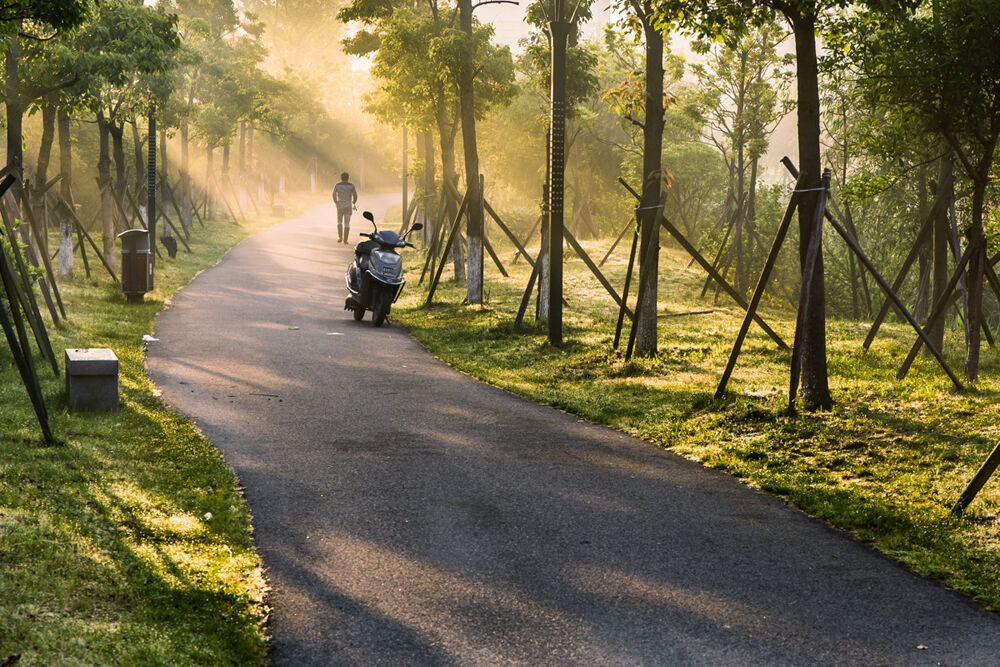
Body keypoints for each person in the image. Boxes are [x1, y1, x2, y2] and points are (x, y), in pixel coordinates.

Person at [332, 172, 358, 243]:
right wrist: (354, 201)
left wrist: (336, 202)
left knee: (339, 221)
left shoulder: (337, 185)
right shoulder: (351, 186)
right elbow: (355, 195)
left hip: (339, 206)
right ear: (348, 178)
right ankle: (346, 240)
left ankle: (340, 237)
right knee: (347, 223)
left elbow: (333, 194)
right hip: (348, 207)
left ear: (341, 178)